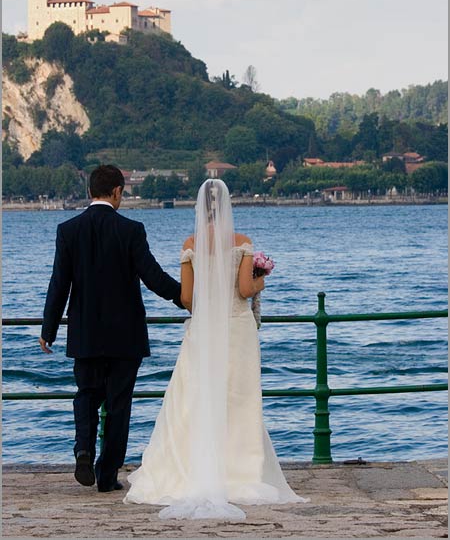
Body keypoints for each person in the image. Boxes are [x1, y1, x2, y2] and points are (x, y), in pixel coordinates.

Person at [124, 179, 308, 519]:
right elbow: (242, 289)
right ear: (227, 206)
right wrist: (261, 280)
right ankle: (241, 471)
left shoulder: (191, 244)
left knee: (193, 398)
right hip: (237, 329)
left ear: (198, 208)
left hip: (205, 328)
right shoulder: (242, 243)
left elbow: (187, 299)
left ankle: (189, 467)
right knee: (238, 399)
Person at [39, 165, 184, 493]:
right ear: (117, 191)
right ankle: (107, 476)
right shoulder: (131, 230)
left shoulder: (68, 230)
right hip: (125, 336)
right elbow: (153, 276)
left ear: (91, 190)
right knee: (119, 406)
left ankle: (83, 450)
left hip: (85, 333)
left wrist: (49, 328)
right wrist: (185, 297)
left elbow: (59, 283)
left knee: (86, 396)